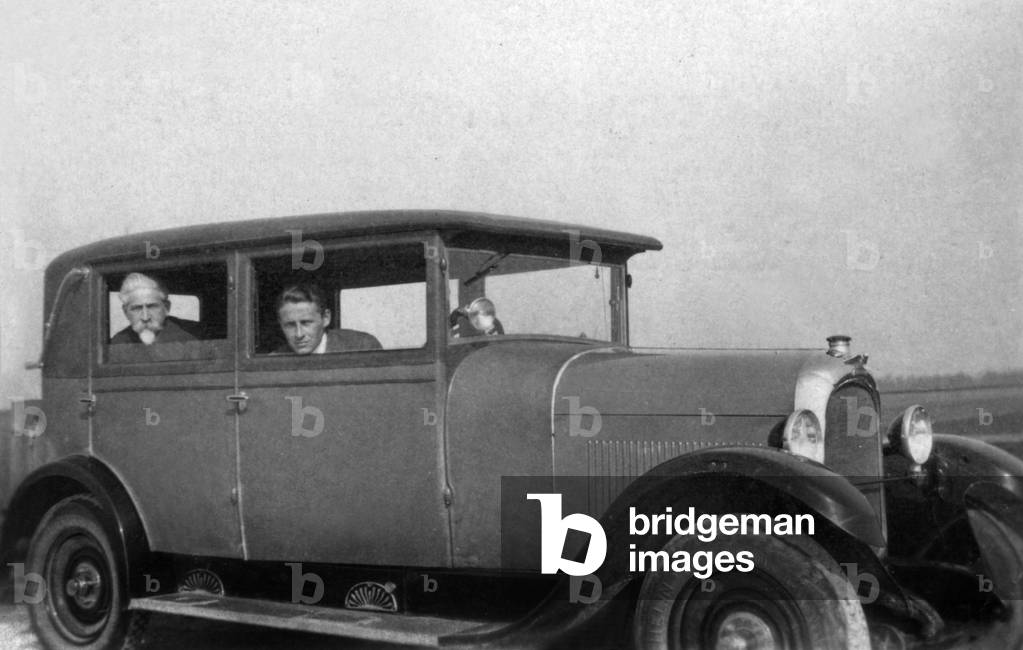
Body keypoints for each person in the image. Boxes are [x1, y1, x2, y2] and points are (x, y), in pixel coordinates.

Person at [276, 282, 382, 354]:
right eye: (290, 325)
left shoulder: (362, 347)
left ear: (326, 318)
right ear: (280, 324)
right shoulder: (273, 362)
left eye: (306, 323)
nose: (299, 334)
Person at [110, 273, 203, 345]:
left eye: (152, 307)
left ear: (166, 308)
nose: (145, 317)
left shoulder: (189, 340)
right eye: (136, 308)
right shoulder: (118, 342)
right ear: (125, 312)